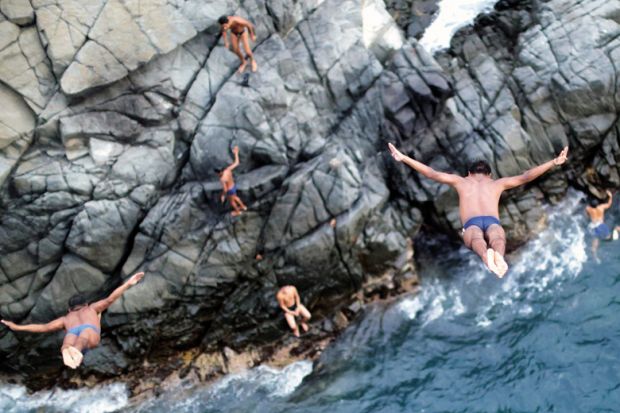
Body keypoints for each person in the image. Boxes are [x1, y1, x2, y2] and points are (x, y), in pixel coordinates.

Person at [388, 143, 569, 278]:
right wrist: (553, 162)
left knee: (475, 238)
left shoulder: (461, 181)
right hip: (492, 221)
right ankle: (498, 254)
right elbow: (526, 176)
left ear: (469, 173)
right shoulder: (498, 184)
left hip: (472, 222)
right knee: (497, 237)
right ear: (489, 175)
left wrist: (404, 158)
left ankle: (485, 256)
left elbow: (432, 173)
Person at [1, 272, 144, 369]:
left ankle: (67, 350)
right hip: (89, 330)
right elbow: (110, 298)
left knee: (68, 342)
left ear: (70, 309)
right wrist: (129, 283)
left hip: (72, 330)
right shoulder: (92, 308)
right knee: (83, 339)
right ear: (85, 304)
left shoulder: (66, 318)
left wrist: (17, 327)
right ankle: (76, 349)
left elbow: (43, 327)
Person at [585, 190, 620, 261]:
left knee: (596, 239)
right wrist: (610, 196)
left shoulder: (588, 209)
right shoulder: (601, 207)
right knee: (609, 237)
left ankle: (595, 256)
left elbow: (587, 215)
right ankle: (615, 231)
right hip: (601, 225)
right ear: (597, 204)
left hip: (593, 226)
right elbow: (609, 204)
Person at [216, 145, 247, 217]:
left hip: (230, 190)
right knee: (235, 197)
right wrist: (236, 153)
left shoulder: (222, 179)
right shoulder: (227, 170)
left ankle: (237, 211)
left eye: (217, 173)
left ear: (219, 172)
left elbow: (225, 189)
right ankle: (243, 207)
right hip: (233, 186)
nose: (217, 175)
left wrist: (222, 196)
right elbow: (237, 162)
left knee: (232, 201)